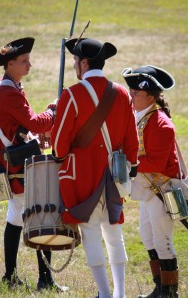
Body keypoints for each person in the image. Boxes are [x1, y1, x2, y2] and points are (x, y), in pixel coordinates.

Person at [50, 38, 139, 298]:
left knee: (90, 232)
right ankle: (120, 293)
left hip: (83, 176)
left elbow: (58, 147)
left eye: (76, 61)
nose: (75, 65)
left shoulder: (72, 94)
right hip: (114, 173)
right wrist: (129, 168)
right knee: (114, 233)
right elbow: (132, 139)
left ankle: (105, 293)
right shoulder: (121, 93)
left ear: (84, 63)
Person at [0, 37, 61, 291]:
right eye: (24, 61)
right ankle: (45, 280)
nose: (29, 65)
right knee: (42, 216)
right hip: (18, 168)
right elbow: (37, 123)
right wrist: (53, 110)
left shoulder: (11, 86)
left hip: (14, 165)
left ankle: (10, 277)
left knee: (16, 219)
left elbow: (21, 127)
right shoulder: (8, 91)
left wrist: (31, 134)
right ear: (10, 64)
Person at [122, 65, 179, 298]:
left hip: (162, 189)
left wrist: (127, 162)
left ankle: (169, 292)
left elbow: (156, 163)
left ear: (151, 96)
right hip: (147, 190)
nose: (131, 96)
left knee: (162, 239)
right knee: (147, 235)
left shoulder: (161, 123)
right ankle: (159, 287)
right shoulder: (140, 117)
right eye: (131, 91)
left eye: (136, 93)